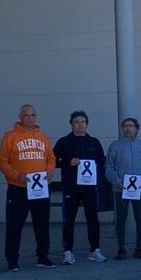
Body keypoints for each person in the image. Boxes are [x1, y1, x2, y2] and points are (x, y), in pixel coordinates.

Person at [0, 104, 56, 269]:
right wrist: (17, 176)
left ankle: (43, 257)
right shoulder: (10, 136)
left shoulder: (43, 137)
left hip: (40, 188)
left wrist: (49, 171)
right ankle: (12, 261)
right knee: (15, 225)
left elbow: (51, 158)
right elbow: (2, 161)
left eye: (32, 115)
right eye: (26, 115)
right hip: (18, 188)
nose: (30, 118)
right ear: (20, 117)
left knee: (42, 224)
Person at [54, 110, 107, 265]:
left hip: (90, 187)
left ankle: (95, 250)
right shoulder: (64, 142)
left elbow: (101, 161)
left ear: (87, 124)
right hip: (71, 186)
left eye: (82, 122)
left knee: (93, 219)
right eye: (76, 122)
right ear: (71, 124)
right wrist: (68, 162)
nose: (80, 124)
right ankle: (68, 251)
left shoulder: (94, 142)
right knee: (69, 219)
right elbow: (53, 160)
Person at [105, 116, 141, 260]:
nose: (128, 128)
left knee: (139, 218)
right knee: (121, 219)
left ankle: (139, 248)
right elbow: (109, 168)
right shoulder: (115, 146)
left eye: (131, 126)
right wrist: (117, 182)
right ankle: (121, 248)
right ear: (122, 129)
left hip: (139, 189)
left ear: (137, 129)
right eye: (125, 126)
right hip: (121, 189)